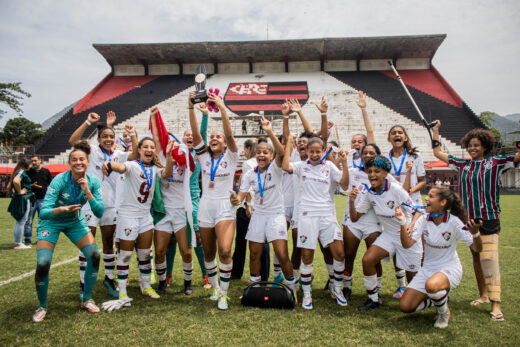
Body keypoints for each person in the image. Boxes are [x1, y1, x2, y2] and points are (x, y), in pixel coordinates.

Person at [432, 121, 520, 321]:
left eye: (476, 145)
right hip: (467, 219)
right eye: (470, 145)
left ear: (485, 147)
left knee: (489, 259)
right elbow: (438, 153)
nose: (472, 148)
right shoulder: (462, 164)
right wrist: (436, 131)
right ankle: (484, 295)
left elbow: (517, 157)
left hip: (488, 218)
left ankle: (496, 304)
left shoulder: (496, 162)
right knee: (476, 258)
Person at [32, 141, 103, 322]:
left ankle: (86, 299)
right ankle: (42, 305)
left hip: (75, 221)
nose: (78, 162)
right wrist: (61, 210)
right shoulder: (60, 180)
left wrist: (87, 191)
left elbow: (99, 212)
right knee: (43, 263)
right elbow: (45, 211)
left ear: (87, 162)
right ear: (69, 163)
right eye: (74, 160)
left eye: (81, 159)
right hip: (51, 222)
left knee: (94, 255)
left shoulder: (93, 181)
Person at [69, 111, 137, 298]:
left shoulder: (119, 154)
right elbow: (73, 141)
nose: (108, 139)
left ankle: (108, 278)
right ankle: (83, 282)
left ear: (115, 140)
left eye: (111, 137)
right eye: (104, 136)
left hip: (111, 206)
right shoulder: (91, 151)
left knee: (108, 242)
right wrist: (87, 122)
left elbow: (137, 153)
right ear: (98, 139)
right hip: (90, 204)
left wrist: (132, 134)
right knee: (87, 244)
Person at [398, 187, 483, 328]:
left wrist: (475, 234)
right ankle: (438, 299)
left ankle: (443, 313)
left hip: (449, 268)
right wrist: (402, 223)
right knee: (405, 307)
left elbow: (477, 249)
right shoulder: (423, 219)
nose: (426, 198)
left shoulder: (454, 222)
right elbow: (407, 244)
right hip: (427, 270)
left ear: (443, 202)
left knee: (431, 285)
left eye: (431, 196)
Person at [282, 134, 349, 309]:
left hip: (327, 216)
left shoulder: (329, 167)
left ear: (323, 151)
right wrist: (289, 144)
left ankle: (337, 288)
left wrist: (344, 163)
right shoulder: (300, 166)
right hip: (307, 216)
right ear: (307, 152)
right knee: (306, 257)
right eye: (311, 151)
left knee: (339, 254)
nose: (314, 154)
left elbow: (345, 185)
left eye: (317, 151)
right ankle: (307, 294)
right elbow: (284, 165)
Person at [231, 116, 298, 291]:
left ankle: (293, 287)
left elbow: (282, 153)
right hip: (258, 216)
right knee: (254, 255)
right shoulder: (250, 174)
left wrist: (268, 131)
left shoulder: (276, 168)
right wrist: (236, 200)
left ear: (271, 155)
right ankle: (255, 287)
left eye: (265, 152)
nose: (261, 155)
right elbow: (241, 195)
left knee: (282, 255)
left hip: (276, 215)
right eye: (259, 152)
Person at [149, 105, 211, 289]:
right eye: (186, 135)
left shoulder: (193, 160)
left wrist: (205, 115)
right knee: (164, 247)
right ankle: (165, 277)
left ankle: (202, 276)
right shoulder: (164, 160)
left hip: (189, 205)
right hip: (165, 210)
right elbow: (157, 140)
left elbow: (202, 136)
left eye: (192, 135)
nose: (190, 137)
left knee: (193, 244)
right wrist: (154, 117)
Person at [350, 156, 421, 311]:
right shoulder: (370, 193)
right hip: (389, 234)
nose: (372, 174)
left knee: (413, 280)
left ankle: (430, 297)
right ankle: (374, 299)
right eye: (370, 171)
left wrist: (410, 227)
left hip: (405, 234)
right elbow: (355, 218)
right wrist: (351, 201)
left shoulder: (396, 190)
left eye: (377, 171)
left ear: (385, 174)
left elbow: (418, 211)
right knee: (368, 259)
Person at [189, 91, 238, 310]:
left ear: (225, 143)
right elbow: (197, 135)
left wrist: (222, 108)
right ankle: (216, 286)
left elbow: (229, 134)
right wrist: (190, 107)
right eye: (213, 137)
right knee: (208, 253)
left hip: (225, 208)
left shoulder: (231, 156)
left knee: (225, 251)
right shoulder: (204, 156)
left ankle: (224, 295)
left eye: (219, 137)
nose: (215, 139)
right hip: (205, 207)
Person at [104, 136, 162, 304]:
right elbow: (120, 167)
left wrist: (170, 158)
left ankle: (146, 286)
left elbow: (166, 173)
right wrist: (109, 165)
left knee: (144, 254)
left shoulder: (155, 169)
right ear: (139, 150)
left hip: (145, 216)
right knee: (126, 254)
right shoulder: (132, 165)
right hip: (127, 216)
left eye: (152, 147)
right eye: (146, 147)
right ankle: (122, 291)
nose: (149, 150)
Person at [384, 125, 426, 299]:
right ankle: (401, 286)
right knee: (397, 246)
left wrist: (412, 189)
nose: (397, 135)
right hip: (396, 209)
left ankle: (419, 284)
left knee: (418, 246)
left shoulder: (415, 157)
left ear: (405, 138)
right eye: (393, 133)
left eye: (400, 133)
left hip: (414, 206)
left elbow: (423, 180)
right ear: (389, 139)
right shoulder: (385, 159)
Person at [341, 144, 386, 301]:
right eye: (365, 152)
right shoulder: (353, 172)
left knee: (373, 258)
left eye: (371, 153)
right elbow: (343, 185)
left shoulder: (384, 174)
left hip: (373, 222)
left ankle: (376, 290)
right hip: (352, 221)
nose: (367, 155)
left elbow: (397, 188)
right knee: (348, 256)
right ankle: (347, 286)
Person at [231, 139, 257, 279]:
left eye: (244, 149)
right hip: (260, 206)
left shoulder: (248, 163)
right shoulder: (261, 162)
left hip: (247, 207)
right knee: (259, 242)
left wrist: (248, 204)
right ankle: (260, 273)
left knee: (241, 241)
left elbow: (248, 186)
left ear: (248, 148)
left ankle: (236, 272)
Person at [24, 156, 52, 246]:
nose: (34, 162)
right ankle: (27, 239)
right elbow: (24, 184)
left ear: (40, 161)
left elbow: (50, 185)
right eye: (32, 161)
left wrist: (44, 189)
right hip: (31, 199)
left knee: (43, 220)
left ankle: (41, 238)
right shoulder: (28, 172)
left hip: (43, 199)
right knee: (29, 220)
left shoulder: (46, 172)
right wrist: (32, 185)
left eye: (35, 160)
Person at [8, 158, 35, 249]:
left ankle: (17, 242)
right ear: (26, 165)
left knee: (19, 221)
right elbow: (16, 181)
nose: (31, 166)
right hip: (23, 198)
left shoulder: (17, 171)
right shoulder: (21, 172)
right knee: (21, 221)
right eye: (30, 164)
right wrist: (20, 191)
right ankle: (18, 243)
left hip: (19, 198)